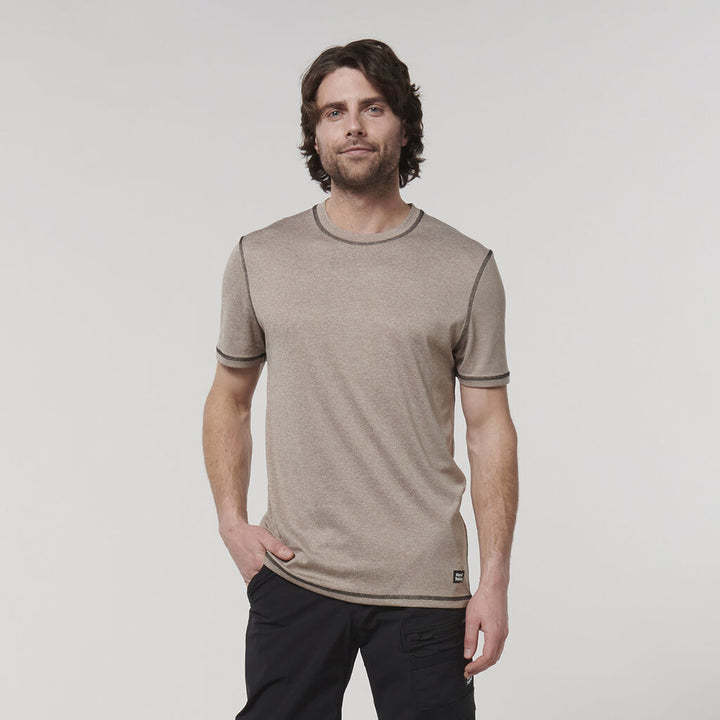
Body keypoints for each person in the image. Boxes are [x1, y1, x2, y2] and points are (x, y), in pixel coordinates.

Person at [202, 38, 519, 720]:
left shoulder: (466, 266)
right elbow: (229, 399)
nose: (352, 126)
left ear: (403, 125)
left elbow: (489, 428)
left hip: (425, 585)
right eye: (334, 112)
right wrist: (231, 522)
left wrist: (494, 579)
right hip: (296, 574)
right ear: (314, 133)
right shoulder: (261, 257)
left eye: (372, 108)